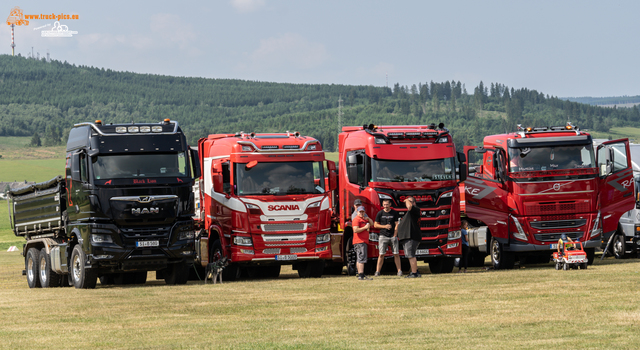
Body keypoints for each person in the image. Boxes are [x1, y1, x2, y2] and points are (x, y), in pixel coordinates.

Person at [373, 199, 402, 277]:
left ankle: (399, 271)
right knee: (381, 255)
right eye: (384, 205)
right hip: (383, 236)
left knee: (396, 254)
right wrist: (384, 226)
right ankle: (377, 272)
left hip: (392, 236)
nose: (385, 206)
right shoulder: (380, 213)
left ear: (390, 204)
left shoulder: (394, 213)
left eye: (387, 204)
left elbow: (397, 224)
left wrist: (395, 235)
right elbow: (375, 225)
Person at [396, 196, 422, 278]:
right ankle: (415, 271)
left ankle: (414, 273)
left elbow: (410, 206)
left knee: (411, 255)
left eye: (410, 201)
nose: (407, 203)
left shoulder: (415, 209)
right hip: (407, 237)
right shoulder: (411, 212)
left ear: (414, 203)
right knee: (410, 255)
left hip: (411, 236)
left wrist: (407, 200)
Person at [352, 206, 374, 280]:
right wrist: (365, 227)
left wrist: (368, 219)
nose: (361, 213)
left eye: (363, 212)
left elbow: (372, 223)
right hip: (359, 241)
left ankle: (360, 274)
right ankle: (361, 275)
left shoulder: (364, 219)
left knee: (360, 258)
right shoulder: (356, 220)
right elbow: (355, 230)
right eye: (360, 212)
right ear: (357, 212)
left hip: (363, 241)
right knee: (362, 258)